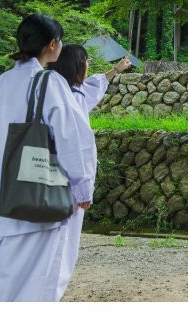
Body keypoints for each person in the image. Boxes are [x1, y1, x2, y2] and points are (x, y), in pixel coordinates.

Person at [0, 14, 97, 302]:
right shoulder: (49, 82)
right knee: (36, 283)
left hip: (4, 194)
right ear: (52, 45)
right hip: (37, 195)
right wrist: (82, 186)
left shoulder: (2, 82)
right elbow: (72, 137)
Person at [47, 45, 131, 298]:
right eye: (87, 60)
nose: (89, 65)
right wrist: (84, 191)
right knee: (62, 242)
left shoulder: (54, 91)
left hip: (37, 176)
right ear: (78, 65)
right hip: (66, 181)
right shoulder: (72, 101)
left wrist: (115, 70)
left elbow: (96, 85)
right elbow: (78, 148)